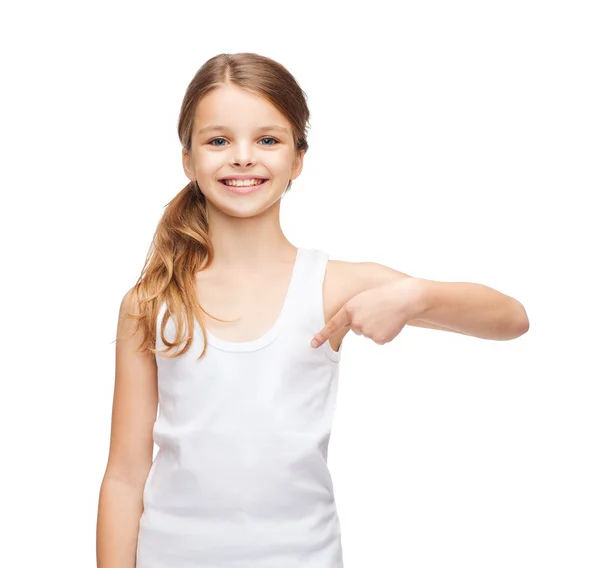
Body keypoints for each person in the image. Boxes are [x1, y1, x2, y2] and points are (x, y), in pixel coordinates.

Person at [96, 52, 529, 568]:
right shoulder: (152, 302)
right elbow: (124, 475)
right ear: (187, 159)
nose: (241, 157)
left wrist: (418, 295)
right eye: (218, 140)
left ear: (298, 158)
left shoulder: (333, 285)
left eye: (267, 139)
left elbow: (512, 319)